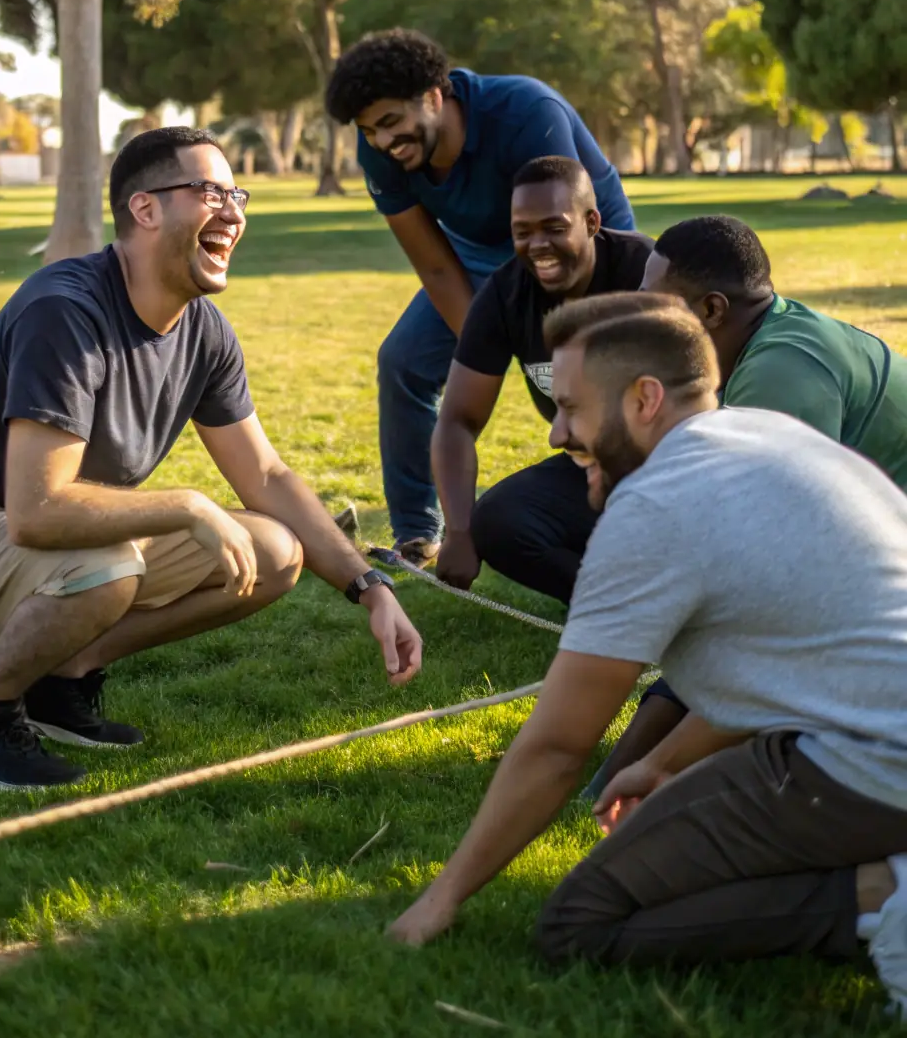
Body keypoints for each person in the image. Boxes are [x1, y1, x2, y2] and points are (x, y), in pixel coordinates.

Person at [388, 294, 907, 1016]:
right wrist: (664, 760)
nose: (555, 433)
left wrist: (439, 899)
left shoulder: (655, 507)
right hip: (862, 732)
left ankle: (885, 895)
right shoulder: (765, 434)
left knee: (579, 921)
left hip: (879, 762)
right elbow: (791, 663)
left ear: (644, 399)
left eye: (569, 407)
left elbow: (560, 746)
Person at [0, 126, 422, 792]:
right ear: (145, 208)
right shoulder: (66, 311)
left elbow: (267, 475)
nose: (234, 211)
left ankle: (63, 678)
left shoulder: (204, 331)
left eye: (238, 194)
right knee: (108, 562)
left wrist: (369, 588)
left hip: (45, 541)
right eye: (211, 192)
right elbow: (37, 511)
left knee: (276, 552)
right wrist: (190, 506)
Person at [586, 213, 907, 798]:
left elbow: (762, 563)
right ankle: (620, 776)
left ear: (711, 310)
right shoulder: (750, 346)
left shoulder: (778, 374)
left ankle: (625, 779)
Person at [324, 28, 635, 563]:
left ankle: (624, 504)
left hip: (572, 242)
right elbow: (436, 265)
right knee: (402, 361)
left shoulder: (523, 112)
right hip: (477, 252)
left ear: (433, 96)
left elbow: (558, 227)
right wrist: (489, 345)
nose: (381, 142)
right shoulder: (381, 150)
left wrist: (537, 345)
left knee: (578, 377)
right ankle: (419, 531)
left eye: (391, 122)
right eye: (369, 130)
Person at [432, 155, 652, 602]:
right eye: (522, 232)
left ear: (591, 222)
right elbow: (457, 420)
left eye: (554, 227)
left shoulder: (645, 272)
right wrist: (456, 530)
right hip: (591, 469)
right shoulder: (504, 295)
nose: (537, 245)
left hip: (672, 463)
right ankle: (616, 605)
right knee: (497, 522)